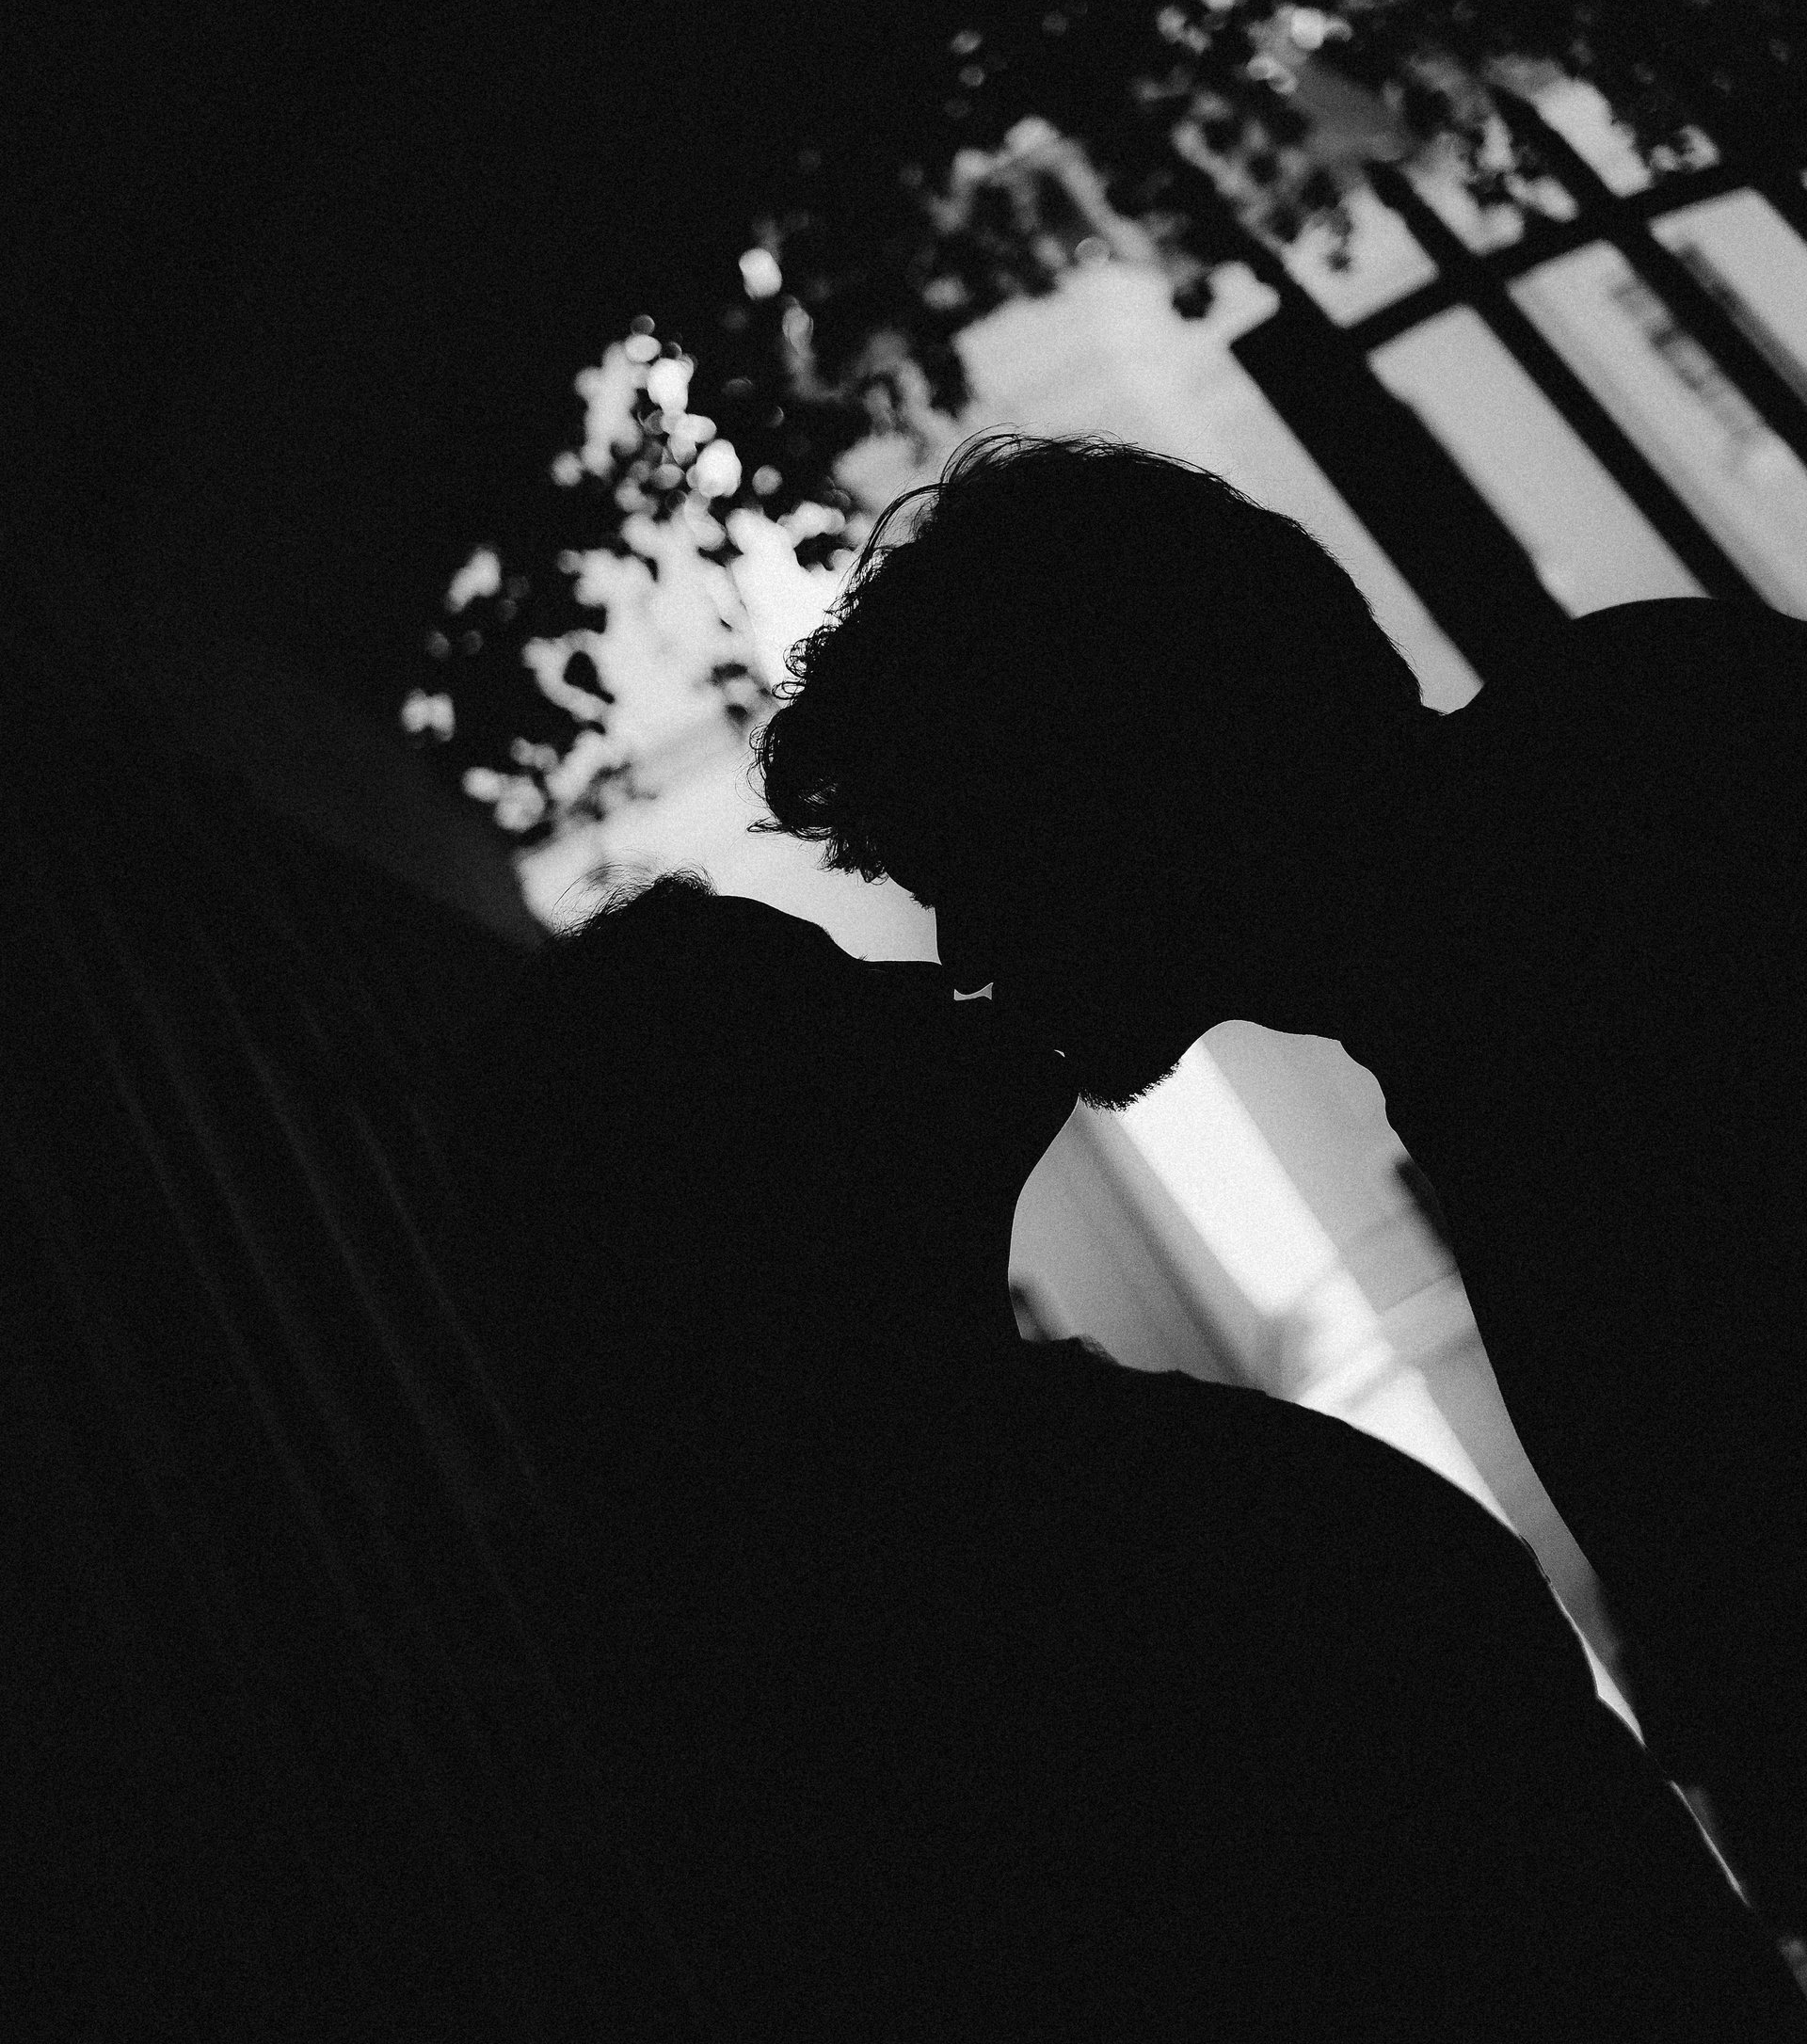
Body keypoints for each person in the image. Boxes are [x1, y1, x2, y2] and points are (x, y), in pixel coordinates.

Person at [746, 423, 1807, 1958]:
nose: (966, 953)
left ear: (1131, 771)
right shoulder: (1578, 849)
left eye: (969, 859)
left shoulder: (1646, 824)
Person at [440, 862, 1807, 2035]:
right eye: (826, 997)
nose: (926, 981)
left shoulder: (849, 1613)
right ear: (751, 1179)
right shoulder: (1090, 1563)